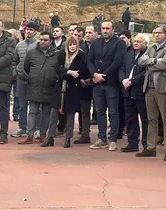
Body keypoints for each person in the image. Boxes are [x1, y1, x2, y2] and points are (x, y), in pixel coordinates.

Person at [136, 24, 166, 161]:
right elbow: (141, 61)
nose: (157, 35)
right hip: (149, 87)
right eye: (155, 33)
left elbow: (164, 64)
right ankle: (150, 147)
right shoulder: (151, 47)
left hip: (164, 87)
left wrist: (151, 63)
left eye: (159, 33)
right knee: (151, 119)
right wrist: (153, 61)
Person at [87, 21, 127, 151]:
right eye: (103, 28)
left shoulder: (119, 43)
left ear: (112, 29)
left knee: (113, 112)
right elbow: (90, 60)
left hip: (111, 83)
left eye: (107, 28)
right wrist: (94, 74)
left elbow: (118, 61)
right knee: (99, 111)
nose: (105, 30)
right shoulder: (95, 43)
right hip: (97, 83)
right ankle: (101, 138)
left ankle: (113, 140)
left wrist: (104, 75)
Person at [18, 31, 58, 145]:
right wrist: (32, 77)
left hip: (49, 87)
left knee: (46, 113)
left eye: (45, 40)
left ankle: (42, 135)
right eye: (41, 39)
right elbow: (26, 67)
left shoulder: (57, 54)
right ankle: (29, 135)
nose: (42, 42)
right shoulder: (31, 53)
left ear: (50, 41)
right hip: (34, 86)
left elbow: (59, 69)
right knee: (32, 112)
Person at [118, 33, 149, 152]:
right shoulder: (129, 54)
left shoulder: (147, 55)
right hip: (127, 90)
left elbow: (146, 72)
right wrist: (123, 80)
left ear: (145, 43)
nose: (135, 43)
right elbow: (121, 69)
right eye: (135, 41)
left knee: (145, 118)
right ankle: (132, 142)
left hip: (140, 90)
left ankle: (146, 144)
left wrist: (132, 80)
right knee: (130, 118)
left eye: (139, 41)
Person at [56, 36, 87, 148]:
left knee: (70, 113)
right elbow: (57, 69)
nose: (72, 47)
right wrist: (68, 72)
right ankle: (51, 134)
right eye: (70, 44)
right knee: (56, 111)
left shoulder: (81, 55)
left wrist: (67, 74)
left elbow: (79, 72)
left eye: (74, 44)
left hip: (74, 88)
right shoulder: (62, 55)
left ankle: (68, 137)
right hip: (61, 87)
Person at [11, 21, 38, 138]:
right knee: (22, 105)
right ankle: (22, 127)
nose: (29, 31)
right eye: (27, 29)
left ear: (35, 32)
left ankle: (36, 129)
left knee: (36, 106)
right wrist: (15, 72)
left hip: (35, 81)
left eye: (31, 30)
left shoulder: (39, 44)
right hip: (21, 79)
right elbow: (14, 62)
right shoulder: (19, 45)